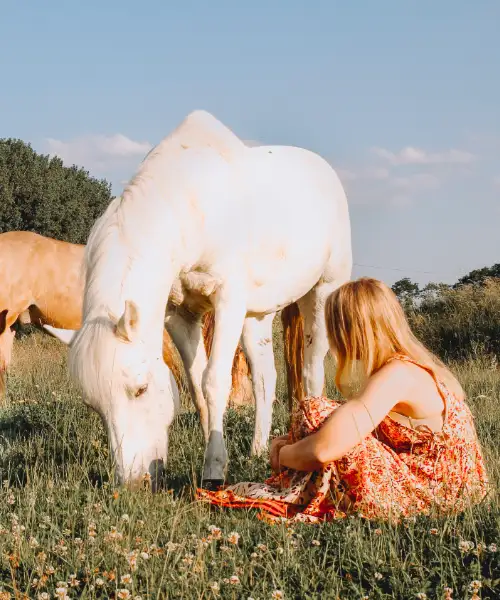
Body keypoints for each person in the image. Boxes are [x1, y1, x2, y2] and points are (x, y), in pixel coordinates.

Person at [196, 278, 490, 524]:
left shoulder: (397, 374)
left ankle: (295, 490)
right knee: (329, 417)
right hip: (452, 491)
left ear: (351, 331)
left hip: (432, 495)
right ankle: (300, 486)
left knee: (317, 412)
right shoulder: (412, 367)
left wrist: (280, 454)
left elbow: (325, 450)